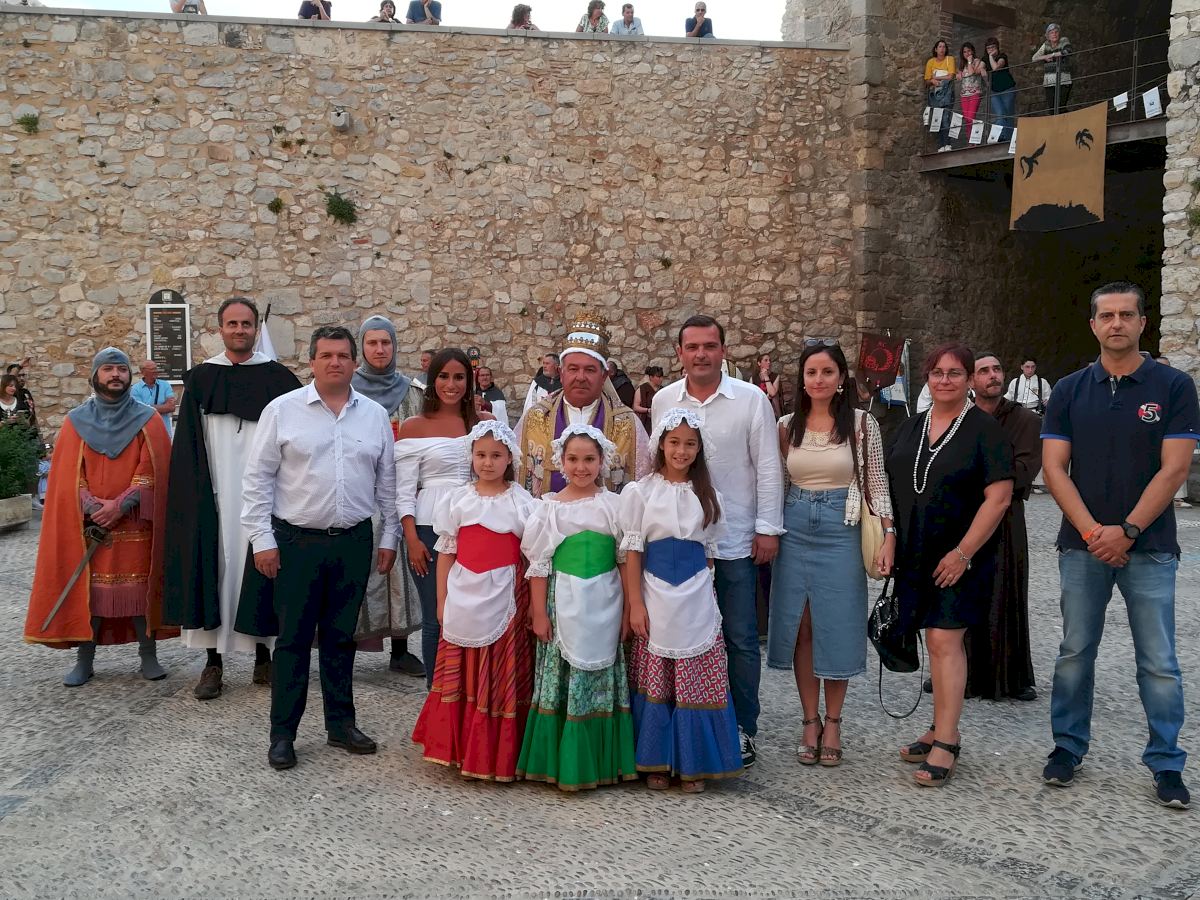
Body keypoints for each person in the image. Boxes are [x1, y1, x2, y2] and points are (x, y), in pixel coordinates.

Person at [1040, 282, 1198, 810]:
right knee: (1074, 653)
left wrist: (1126, 530)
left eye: (1126, 314)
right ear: (1093, 325)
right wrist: (1093, 533)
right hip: (1082, 547)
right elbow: (1054, 469)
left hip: (1149, 547)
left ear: (1142, 323)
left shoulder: (1174, 387)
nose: (1116, 324)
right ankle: (1067, 748)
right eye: (1106, 316)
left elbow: (1174, 468)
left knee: (1158, 661)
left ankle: (1167, 762)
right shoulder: (1069, 390)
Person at [241, 326, 398, 771]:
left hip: (352, 542)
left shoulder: (373, 415)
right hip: (296, 544)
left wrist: (389, 536)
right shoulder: (283, 410)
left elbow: (387, 482)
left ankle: (341, 725)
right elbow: (257, 479)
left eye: (343, 355)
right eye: (326, 355)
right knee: (292, 642)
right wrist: (262, 540)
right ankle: (283, 735)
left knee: (340, 639)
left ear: (354, 362)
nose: (335, 362)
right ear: (311, 361)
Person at [650, 315, 784, 768]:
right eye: (692, 347)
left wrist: (767, 528)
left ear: (723, 351)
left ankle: (743, 728)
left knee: (740, 637)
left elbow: (768, 467)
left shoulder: (750, 400)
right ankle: (683, 724)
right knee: (678, 635)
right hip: (679, 544)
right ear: (680, 353)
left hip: (734, 540)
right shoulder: (665, 399)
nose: (701, 354)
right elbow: (656, 465)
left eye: (709, 346)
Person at [886, 342, 1013, 786]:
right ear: (927, 378)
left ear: (970, 379)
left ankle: (947, 740)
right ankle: (939, 726)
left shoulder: (985, 430)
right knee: (931, 638)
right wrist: (887, 539)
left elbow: (999, 498)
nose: (945, 380)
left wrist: (963, 553)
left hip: (960, 555)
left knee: (944, 639)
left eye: (955, 373)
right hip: (914, 552)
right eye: (937, 372)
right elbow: (885, 486)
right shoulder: (910, 426)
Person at [163, 298, 302, 702]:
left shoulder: (279, 379)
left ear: (256, 328)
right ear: (220, 328)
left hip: (268, 496)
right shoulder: (202, 379)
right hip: (216, 493)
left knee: (263, 568)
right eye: (232, 323)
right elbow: (189, 443)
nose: (240, 330)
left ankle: (264, 656)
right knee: (216, 571)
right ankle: (213, 662)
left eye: (246, 324)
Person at [769, 343, 894, 767]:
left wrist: (889, 534)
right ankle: (810, 720)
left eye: (827, 371)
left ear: (841, 378)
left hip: (844, 526)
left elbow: (876, 481)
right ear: (802, 379)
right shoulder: (786, 426)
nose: (819, 379)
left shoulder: (861, 424)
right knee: (802, 624)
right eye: (811, 372)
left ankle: (835, 721)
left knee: (837, 624)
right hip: (795, 526)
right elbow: (778, 483)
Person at [24, 348, 174, 686]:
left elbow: (153, 468)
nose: (115, 375)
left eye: (121, 369)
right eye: (108, 369)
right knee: (89, 595)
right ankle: (85, 660)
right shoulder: (75, 421)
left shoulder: (148, 420)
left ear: (130, 376)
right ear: (95, 376)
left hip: (136, 523)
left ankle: (148, 656)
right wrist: (92, 506)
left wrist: (120, 505)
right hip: (90, 527)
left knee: (139, 592)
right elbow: (68, 475)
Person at [621, 408, 743, 792]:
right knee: (658, 678)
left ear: (700, 448)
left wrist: (704, 593)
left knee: (694, 678)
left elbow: (708, 554)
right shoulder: (641, 492)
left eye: (690, 444)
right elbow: (633, 551)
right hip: (654, 593)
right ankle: (656, 760)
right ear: (661, 444)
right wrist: (635, 604)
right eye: (674, 442)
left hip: (695, 597)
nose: (681, 450)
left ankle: (695, 762)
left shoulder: (708, 497)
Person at [411, 421, 537, 781]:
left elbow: (532, 557)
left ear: (510, 459)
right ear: (471, 457)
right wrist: (442, 599)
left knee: (499, 670)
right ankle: (460, 745)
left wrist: (531, 603)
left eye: (496, 455)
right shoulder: (458, 499)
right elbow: (446, 552)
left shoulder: (522, 501)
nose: (487, 462)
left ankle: (497, 751)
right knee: (462, 667)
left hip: (506, 595)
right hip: (464, 594)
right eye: (481, 454)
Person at [517, 424, 636, 790]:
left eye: (588, 459)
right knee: (562, 673)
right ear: (560, 461)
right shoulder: (549, 508)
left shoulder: (614, 505)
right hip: (563, 602)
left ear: (602, 461)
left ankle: (601, 761)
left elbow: (624, 560)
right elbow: (539, 565)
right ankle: (562, 760)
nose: (581, 467)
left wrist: (629, 609)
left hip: (606, 603)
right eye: (573, 459)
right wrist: (539, 613)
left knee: (602, 673)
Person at [396, 349, 488, 686]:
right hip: (429, 527)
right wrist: (411, 539)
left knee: (475, 610)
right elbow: (403, 491)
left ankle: (472, 691)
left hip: (477, 525)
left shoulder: (484, 423)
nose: (452, 384)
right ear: (432, 381)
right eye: (444, 376)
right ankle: (437, 696)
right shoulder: (414, 426)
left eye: (459, 377)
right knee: (437, 614)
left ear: (469, 381)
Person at [351, 316, 424, 676]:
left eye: (386, 343)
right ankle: (345, 650)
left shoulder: (413, 393)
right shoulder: (346, 390)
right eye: (372, 343)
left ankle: (400, 649)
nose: (380, 350)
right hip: (358, 495)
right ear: (361, 347)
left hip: (400, 496)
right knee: (356, 574)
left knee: (399, 576)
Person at [965, 353, 1041, 702]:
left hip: (1007, 518)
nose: (992, 375)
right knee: (963, 592)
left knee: (1006, 592)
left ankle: (1012, 676)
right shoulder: (961, 418)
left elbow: (1022, 470)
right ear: (972, 380)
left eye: (997, 369)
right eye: (984, 371)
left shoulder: (1025, 420)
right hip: (964, 516)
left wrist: (978, 477)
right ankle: (959, 670)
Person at [515, 312, 651, 498]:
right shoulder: (536, 417)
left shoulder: (627, 423)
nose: (580, 377)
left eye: (590, 370)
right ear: (561, 373)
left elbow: (643, 485)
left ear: (604, 376)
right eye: (573, 369)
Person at [130, 360, 176, 440]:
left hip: (164, 433)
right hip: (145, 434)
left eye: (156, 368)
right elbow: (138, 410)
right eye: (152, 369)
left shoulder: (165, 385)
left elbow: (171, 407)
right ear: (143, 372)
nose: (155, 371)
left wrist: (147, 407)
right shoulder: (135, 389)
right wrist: (163, 406)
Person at [925, 39, 956, 152]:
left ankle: (947, 143)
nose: (942, 49)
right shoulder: (930, 62)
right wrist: (932, 81)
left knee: (945, 118)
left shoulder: (950, 59)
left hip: (947, 93)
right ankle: (940, 145)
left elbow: (950, 76)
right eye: (940, 47)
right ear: (935, 49)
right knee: (937, 119)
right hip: (935, 95)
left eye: (944, 47)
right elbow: (927, 80)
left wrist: (936, 77)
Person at [1033, 23, 1072, 113]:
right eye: (1051, 33)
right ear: (1048, 36)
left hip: (1063, 80)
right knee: (1052, 108)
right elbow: (1034, 58)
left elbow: (1068, 51)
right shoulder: (1046, 45)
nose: (1054, 34)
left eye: (1056, 32)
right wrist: (1045, 57)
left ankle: (1065, 121)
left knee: (1061, 107)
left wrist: (1052, 55)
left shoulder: (1063, 40)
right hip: (1049, 81)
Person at [985, 37, 1016, 140]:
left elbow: (996, 67)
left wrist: (990, 57)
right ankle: (1000, 137)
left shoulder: (1002, 56)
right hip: (994, 90)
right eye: (988, 48)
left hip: (1007, 89)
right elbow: (979, 68)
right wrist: (985, 78)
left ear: (997, 47)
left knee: (1008, 114)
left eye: (993, 47)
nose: (991, 50)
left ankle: (1008, 139)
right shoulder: (985, 59)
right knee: (1000, 113)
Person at [956, 42, 986, 128]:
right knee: (967, 119)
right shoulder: (962, 64)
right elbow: (959, 76)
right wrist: (958, 74)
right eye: (964, 52)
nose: (967, 53)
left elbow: (972, 73)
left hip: (974, 93)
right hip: (964, 95)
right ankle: (970, 137)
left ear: (972, 51)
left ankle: (973, 136)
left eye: (969, 51)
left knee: (970, 117)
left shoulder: (977, 61)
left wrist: (969, 62)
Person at [6, 361, 37, 430]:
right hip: (14, 433)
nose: (22, 378)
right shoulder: (8, 393)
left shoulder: (25, 392)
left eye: (23, 375)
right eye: (19, 376)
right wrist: (19, 366)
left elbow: (32, 413)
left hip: (30, 433)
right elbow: (9, 380)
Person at [633, 365, 663, 434]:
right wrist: (648, 410)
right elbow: (635, 407)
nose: (661, 379)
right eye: (658, 377)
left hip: (658, 421)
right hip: (645, 421)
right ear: (651, 377)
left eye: (662, 377)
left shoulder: (662, 390)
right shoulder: (642, 389)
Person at [754, 352, 782, 418]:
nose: (769, 362)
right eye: (766, 360)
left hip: (772, 408)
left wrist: (766, 377)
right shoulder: (754, 377)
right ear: (759, 363)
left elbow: (772, 393)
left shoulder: (775, 376)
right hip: (758, 407)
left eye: (769, 360)